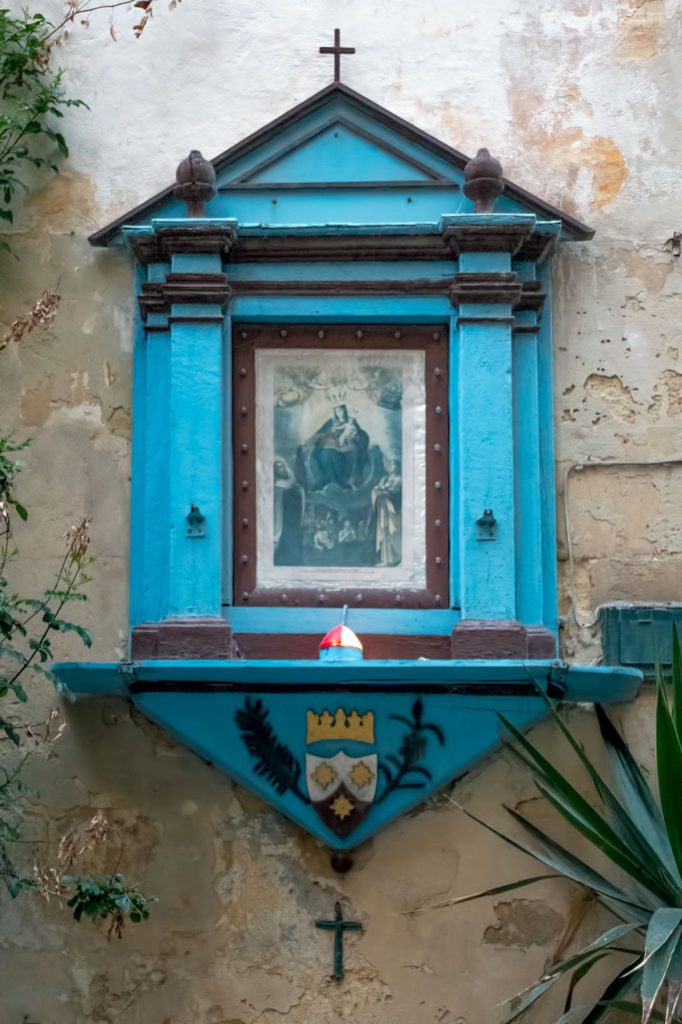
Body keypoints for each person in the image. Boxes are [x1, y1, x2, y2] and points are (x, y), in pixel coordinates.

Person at [297, 403, 370, 493]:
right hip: (333, 447)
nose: (339, 413)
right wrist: (307, 442)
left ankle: (348, 482)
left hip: (347, 448)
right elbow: (321, 434)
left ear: (344, 410)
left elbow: (360, 434)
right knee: (327, 454)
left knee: (354, 452)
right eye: (337, 411)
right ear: (335, 412)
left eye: (341, 410)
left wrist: (355, 434)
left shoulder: (351, 421)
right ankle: (331, 482)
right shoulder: (331, 423)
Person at [371, 458, 402, 566]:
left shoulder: (400, 479)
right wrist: (377, 491)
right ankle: (386, 559)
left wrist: (386, 493)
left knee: (393, 532)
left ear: (398, 466)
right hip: (384, 509)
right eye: (391, 464)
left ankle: (397, 557)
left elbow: (398, 494)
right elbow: (380, 488)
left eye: (395, 464)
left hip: (393, 510)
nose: (393, 467)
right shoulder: (385, 479)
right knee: (384, 532)